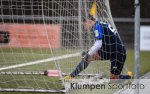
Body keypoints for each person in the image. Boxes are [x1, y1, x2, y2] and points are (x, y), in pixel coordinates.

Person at [64, 15, 131, 80]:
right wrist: (89, 53)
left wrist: (89, 52)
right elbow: (100, 43)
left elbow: (98, 43)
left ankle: (128, 77)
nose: (85, 28)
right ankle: (71, 76)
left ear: (89, 21)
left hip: (118, 53)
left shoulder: (97, 26)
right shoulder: (99, 24)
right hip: (108, 51)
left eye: (84, 25)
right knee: (87, 58)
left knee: (113, 79)